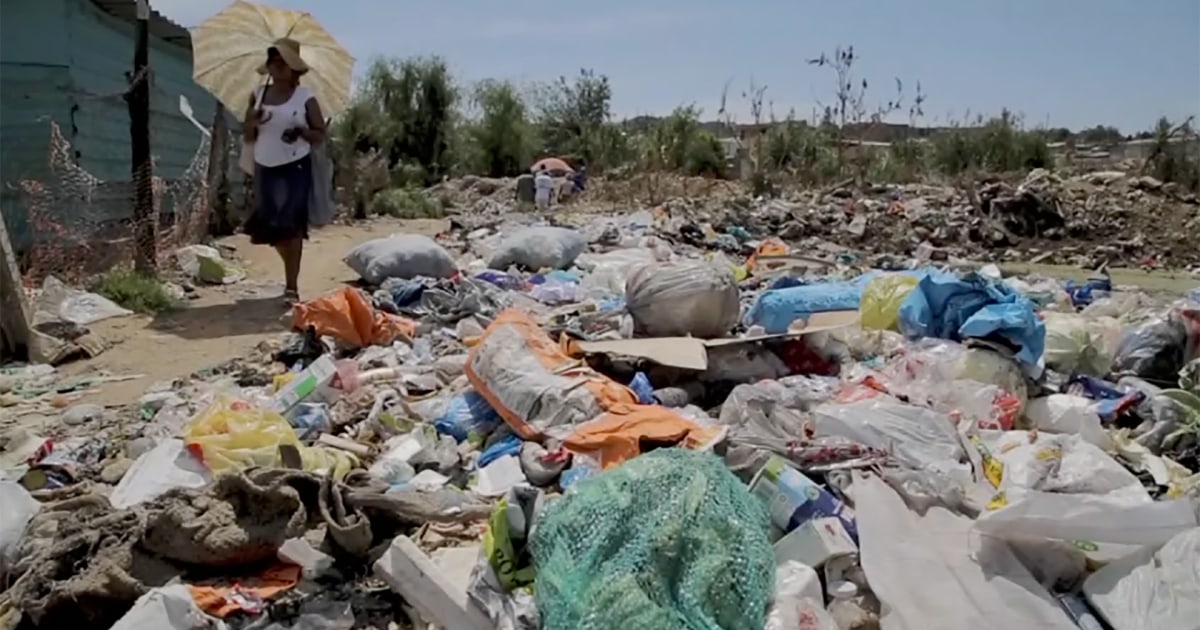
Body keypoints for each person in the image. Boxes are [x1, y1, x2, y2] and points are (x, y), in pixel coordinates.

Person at [243, 38, 326, 305]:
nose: (277, 67)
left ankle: (292, 286)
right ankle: (289, 265)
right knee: (269, 225)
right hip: (264, 164)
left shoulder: (305, 96)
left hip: (296, 164)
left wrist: (301, 132)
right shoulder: (257, 95)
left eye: (283, 62)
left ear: (294, 69)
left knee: (292, 226)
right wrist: (252, 122)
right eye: (273, 61)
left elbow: (320, 133)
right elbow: (247, 133)